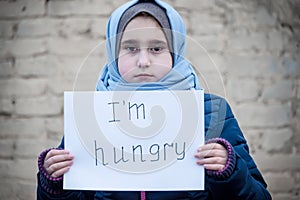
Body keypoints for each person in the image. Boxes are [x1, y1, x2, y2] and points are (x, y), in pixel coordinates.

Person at [37, 0, 272, 199]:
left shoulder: (211, 111)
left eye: (157, 49)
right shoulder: (91, 116)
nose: (143, 61)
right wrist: (54, 183)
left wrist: (230, 172)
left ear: (175, 52)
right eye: (130, 48)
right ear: (113, 53)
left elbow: (259, 195)